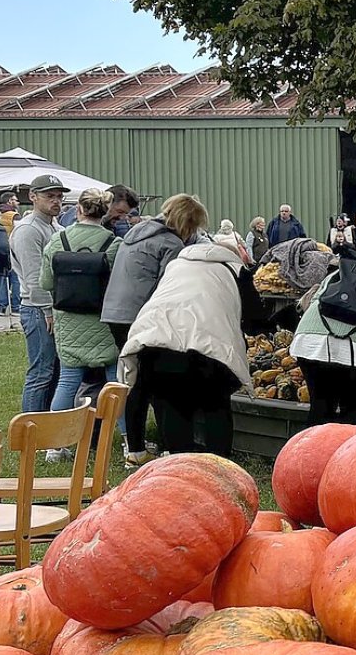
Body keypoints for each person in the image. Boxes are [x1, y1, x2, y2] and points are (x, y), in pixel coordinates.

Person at [120, 233, 258, 457]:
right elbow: (254, 319)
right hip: (209, 347)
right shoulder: (236, 270)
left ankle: (178, 463)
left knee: (173, 406)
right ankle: (218, 466)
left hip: (155, 340)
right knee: (216, 407)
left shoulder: (176, 266)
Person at [102, 193, 208, 461]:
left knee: (135, 380)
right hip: (142, 316)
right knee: (160, 383)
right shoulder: (170, 243)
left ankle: (135, 446)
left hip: (115, 314)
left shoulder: (136, 233)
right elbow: (169, 288)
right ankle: (171, 447)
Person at [41, 188, 124, 412]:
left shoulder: (58, 241)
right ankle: (128, 440)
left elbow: (46, 283)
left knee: (67, 381)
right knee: (115, 383)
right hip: (104, 321)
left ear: (78, 209)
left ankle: (56, 444)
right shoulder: (115, 244)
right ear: (105, 212)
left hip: (68, 322)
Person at [292, 248, 356, 426]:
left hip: (310, 340)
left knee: (320, 407)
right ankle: (347, 453)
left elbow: (312, 301)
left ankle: (309, 452)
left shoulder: (341, 273)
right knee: (352, 410)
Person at [11, 174, 66, 411]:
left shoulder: (56, 226)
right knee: (41, 372)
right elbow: (34, 278)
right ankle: (31, 429)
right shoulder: (28, 230)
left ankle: (46, 427)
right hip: (37, 308)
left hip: (53, 305)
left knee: (54, 372)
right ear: (33, 197)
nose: (56, 201)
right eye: (49, 196)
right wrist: (47, 309)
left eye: (59, 196)